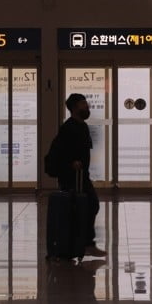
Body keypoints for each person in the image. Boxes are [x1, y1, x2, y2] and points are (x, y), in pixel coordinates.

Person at [53, 93, 106, 258]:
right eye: (83, 104)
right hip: (71, 177)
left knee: (90, 206)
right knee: (81, 207)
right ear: (75, 107)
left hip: (83, 175)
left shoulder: (82, 126)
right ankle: (78, 245)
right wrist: (71, 163)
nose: (87, 107)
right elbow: (59, 153)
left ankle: (84, 244)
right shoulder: (68, 128)